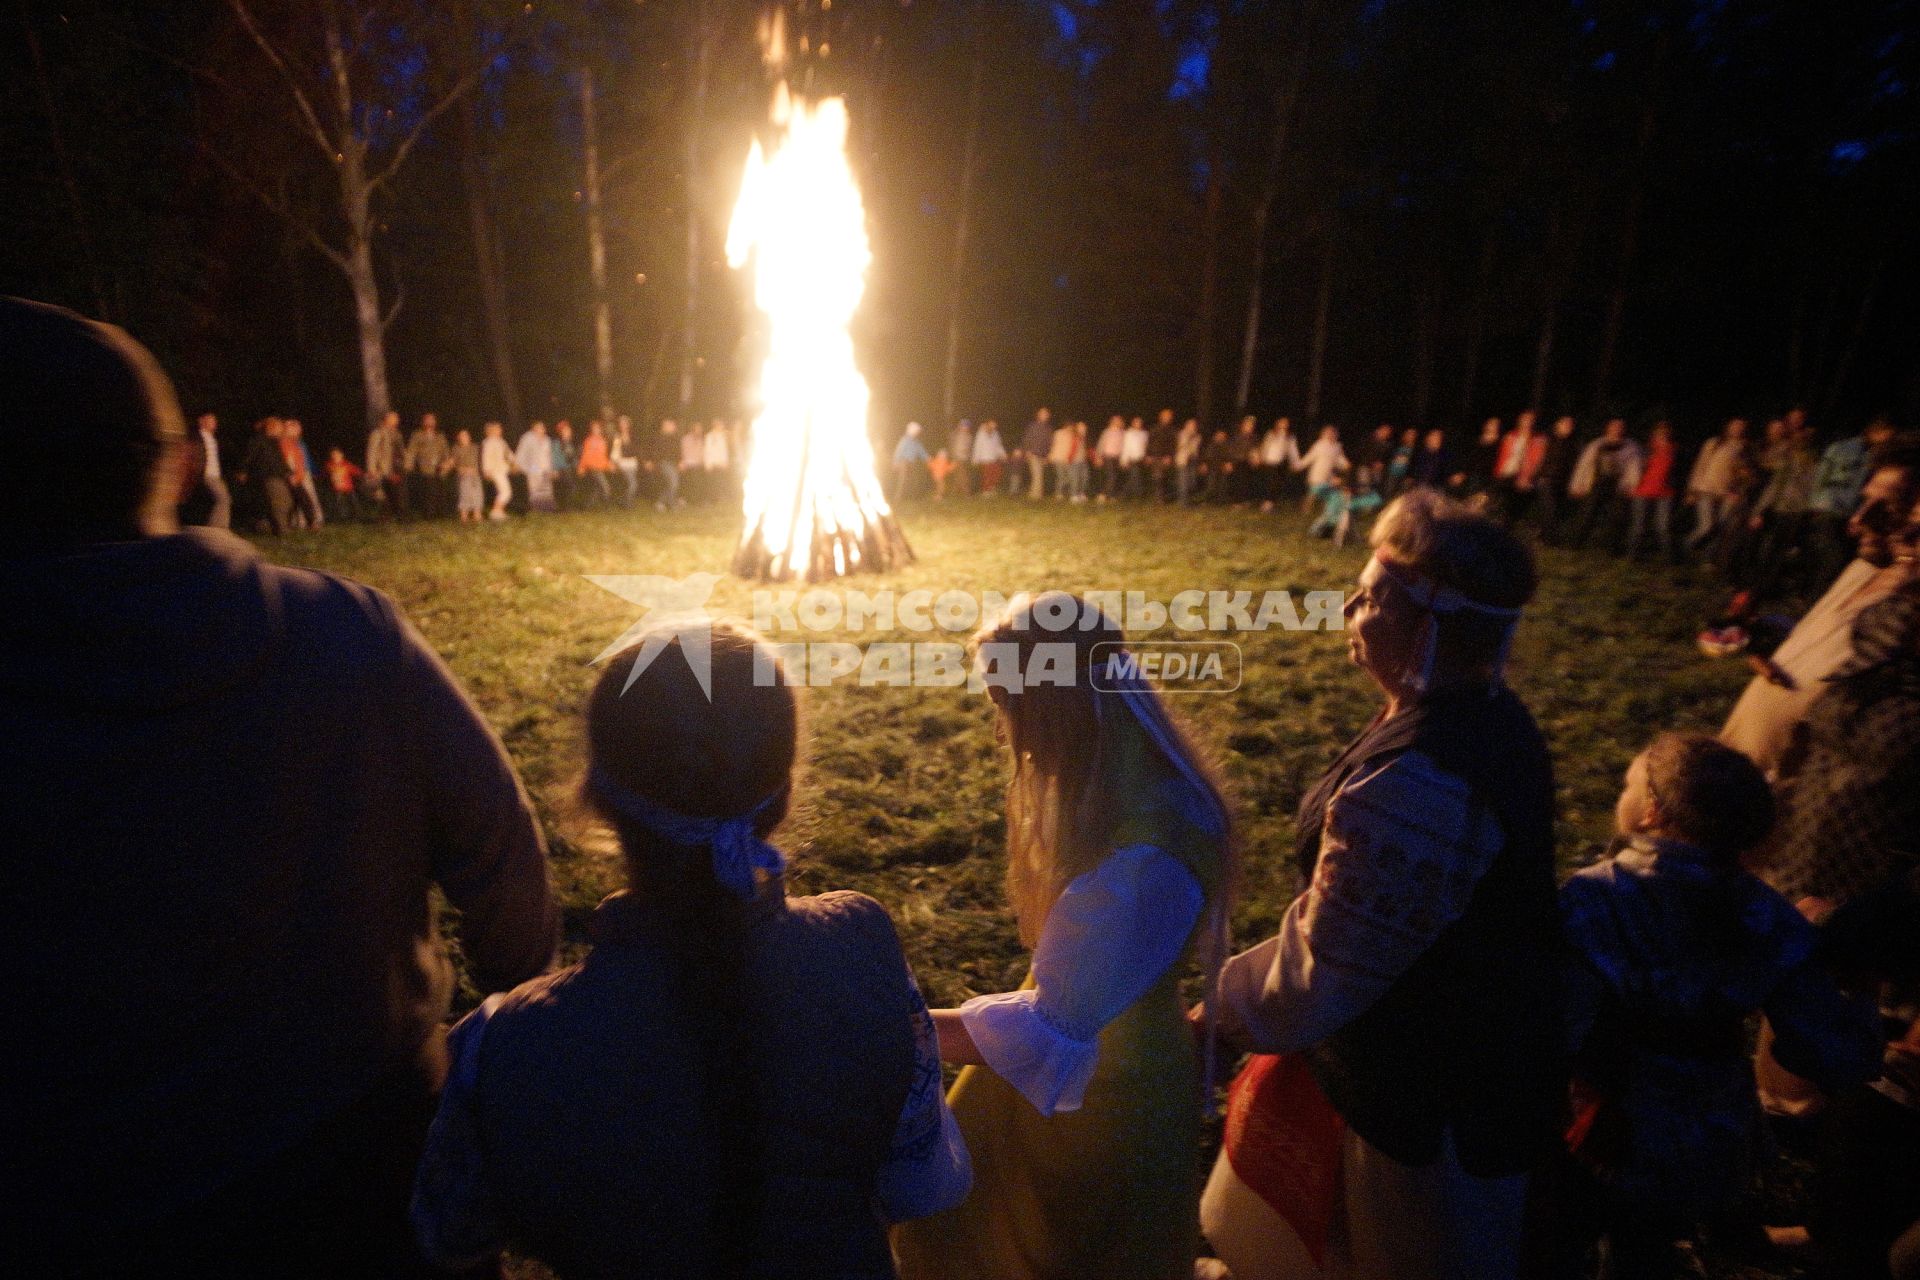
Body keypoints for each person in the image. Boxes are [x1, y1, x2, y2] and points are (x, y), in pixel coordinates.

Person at [0, 296, 557, 1275]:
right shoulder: (344, 634)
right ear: (179, 468)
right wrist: (515, 1037)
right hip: (381, 1177)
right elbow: (500, 850)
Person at [413, 623, 970, 1278]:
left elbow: (448, 1233)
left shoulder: (502, 1048)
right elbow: (924, 1184)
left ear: (595, 798)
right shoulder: (863, 948)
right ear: (785, 793)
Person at [1199, 490, 1561, 1280]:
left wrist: (1211, 1018)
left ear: (1430, 624)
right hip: (1410, 1062)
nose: (1350, 609)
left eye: (1372, 598)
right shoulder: (1483, 717)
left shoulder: (1424, 781)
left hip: (1432, 1096)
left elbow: (1329, 963)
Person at [893, 592, 1233, 1280]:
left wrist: (899, 1030)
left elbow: (1053, 1028)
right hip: (1099, 1077)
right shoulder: (1135, 790)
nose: (1006, 734)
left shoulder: (1149, 860)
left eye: (1008, 708)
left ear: (1054, 707)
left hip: (1102, 1107)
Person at [1539, 734, 1881, 1278]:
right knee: (1654, 1249)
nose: (1621, 795)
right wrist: (1853, 982)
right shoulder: (1765, 913)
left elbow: (1552, 1023)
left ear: (1652, 811)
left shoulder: (1596, 896)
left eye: (1629, 784)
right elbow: (1834, 1053)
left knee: (1583, 1248)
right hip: (1714, 1137)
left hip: (1605, 1131)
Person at [1720, 435, 1920, 777]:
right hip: (1741, 758)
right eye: (1864, 501)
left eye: (1886, 507)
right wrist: (1772, 637)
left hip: (1796, 791)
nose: (1857, 521)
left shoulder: (1909, 609)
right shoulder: (1864, 570)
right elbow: (1822, 641)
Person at [1807, 417, 1896, 588]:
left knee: (1836, 560)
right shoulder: (1841, 448)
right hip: (1829, 508)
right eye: (1886, 435)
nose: (1888, 440)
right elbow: (1821, 476)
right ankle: (1814, 595)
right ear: (1874, 431)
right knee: (1831, 558)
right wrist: (1815, 504)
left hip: (1849, 514)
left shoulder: (1875, 455)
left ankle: (1815, 593)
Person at [1568, 418, 1643, 551]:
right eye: (1614, 427)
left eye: (1620, 427)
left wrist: (1632, 485)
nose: (1617, 430)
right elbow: (1584, 465)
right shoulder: (1597, 444)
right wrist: (1576, 484)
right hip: (1597, 483)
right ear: (1608, 428)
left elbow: (1634, 469)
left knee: (1616, 517)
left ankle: (1611, 547)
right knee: (1588, 514)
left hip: (1618, 486)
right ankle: (1575, 543)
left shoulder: (1630, 447)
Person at [1685, 418, 1750, 554]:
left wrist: (1737, 491)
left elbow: (1742, 474)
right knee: (1707, 526)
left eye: (1741, 426)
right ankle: (1685, 546)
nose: (1737, 429)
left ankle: (1707, 556)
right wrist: (1692, 490)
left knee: (1720, 527)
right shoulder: (1713, 443)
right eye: (1735, 425)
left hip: (1726, 492)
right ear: (1728, 426)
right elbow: (1700, 465)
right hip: (1706, 489)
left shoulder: (1743, 447)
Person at [1624, 421, 1677, 560]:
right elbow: (1633, 468)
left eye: (1665, 432)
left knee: (1663, 527)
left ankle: (1668, 558)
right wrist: (1630, 485)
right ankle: (1632, 556)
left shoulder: (1674, 449)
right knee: (1639, 526)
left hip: (1665, 493)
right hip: (1642, 491)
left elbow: (1676, 472)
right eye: (1660, 432)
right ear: (1654, 433)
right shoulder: (1645, 448)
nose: (1662, 434)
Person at [238, 415, 295, 535]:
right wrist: (243, 470)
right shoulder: (258, 440)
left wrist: (288, 472)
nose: (281, 430)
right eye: (279, 427)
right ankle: (281, 529)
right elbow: (249, 455)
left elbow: (280, 460)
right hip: (267, 475)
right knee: (279, 502)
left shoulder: (274, 442)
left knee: (287, 501)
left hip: (278, 475)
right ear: (271, 427)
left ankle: (264, 526)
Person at [1534, 416, 1580, 541]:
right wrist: (1538, 474)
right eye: (1565, 424)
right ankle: (1550, 538)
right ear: (1557, 425)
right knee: (1549, 508)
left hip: (1561, 482)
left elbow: (1573, 465)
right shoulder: (1547, 439)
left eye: (1570, 425)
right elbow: (1538, 458)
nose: (1568, 427)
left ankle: (1543, 533)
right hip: (1546, 478)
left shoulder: (1572, 445)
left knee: (1553, 509)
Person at [405, 412, 451, 520]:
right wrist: (409, 464)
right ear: (423, 422)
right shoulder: (417, 435)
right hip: (426, 466)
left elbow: (446, 451)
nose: (430, 422)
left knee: (441, 490)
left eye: (432, 420)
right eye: (428, 420)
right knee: (429, 490)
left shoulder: (440, 436)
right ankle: (429, 514)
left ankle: (441, 513)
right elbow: (412, 450)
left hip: (440, 466)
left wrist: (447, 463)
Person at [1295, 425, 1350, 512]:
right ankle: (1305, 508)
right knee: (1313, 492)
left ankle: (1326, 509)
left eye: (1333, 433)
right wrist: (1300, 465)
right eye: (1328, 433)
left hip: (1329, 473)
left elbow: (1339, 458)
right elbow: (1310, 456)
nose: (1331, 435)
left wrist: (1345, 464)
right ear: (1323, 434)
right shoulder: (1319, 445)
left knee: (1328, 492)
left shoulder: (1337, 446)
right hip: (1317, 472)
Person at [190, 411, 231, 529]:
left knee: (224, 499)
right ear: (202, 421)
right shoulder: (197, 437)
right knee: (223, 498)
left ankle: (220, 527)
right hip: (206, 474)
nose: (214, 423)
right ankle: (216, 528)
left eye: (214, 421)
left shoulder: (212, 438)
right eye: (211, 421)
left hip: (215, 474)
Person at [283, 419, 324, 529]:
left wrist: (314, 470)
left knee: (309, 496)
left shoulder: (300, 443)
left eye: (298, 429)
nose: (298, 431)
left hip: (304, 472)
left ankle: (315, 518)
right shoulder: (285, 444)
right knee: (298, 498)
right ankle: (299, 521)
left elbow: (307, 459)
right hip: (295, 473)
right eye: (294, 429)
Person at [366, 409, 407, 518]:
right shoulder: (378, 433)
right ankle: (385, 515)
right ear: (386, 420)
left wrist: (405, 463)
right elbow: (372, 451)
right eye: (394, 418)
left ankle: (399, 514)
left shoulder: (397, 434)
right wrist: (372, 468)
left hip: (396, 467)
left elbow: (401, 451)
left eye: (396, 418)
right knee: (385, 493)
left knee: (397, 492)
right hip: (383, 468)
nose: (396, 420)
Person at [1260, 418, 1303, 511]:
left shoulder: (1290, 436)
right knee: (1271, 483)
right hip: (1269, 461)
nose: (1283, 425)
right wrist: (1261, 456)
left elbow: (1293, 450)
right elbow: (1265, 445)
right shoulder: (1271, 433)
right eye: (1282, 423)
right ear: (1277, 424)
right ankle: (1267, 503)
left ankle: (1271, 503)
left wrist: (1296, 462)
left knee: (1278, 483)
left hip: (1280, 463)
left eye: (1286, 423)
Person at [515, 420, 555, 512]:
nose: (540, 429)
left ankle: (547, 508)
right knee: (535, 486)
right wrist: (517, 464)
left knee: (546, 487)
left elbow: (549, 455)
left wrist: (552, 469)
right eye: (538, 427)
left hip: (546, 466)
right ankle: (536, 508)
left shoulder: (547, 439)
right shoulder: (527, 438)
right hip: (533, 465)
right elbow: (521, 451)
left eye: (542, 427)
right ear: (533, 428)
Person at [480, 421, 514, 521]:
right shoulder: (488, 442)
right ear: (491, 430)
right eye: (498, 428)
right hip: (495, 470)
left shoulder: (501, 441)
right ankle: (495, 512)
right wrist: (486, 470)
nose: (500, 430)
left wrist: (514, 463)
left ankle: (499, 512)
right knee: (505, 492)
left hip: (503, 469)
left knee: (504, 491)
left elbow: (508, 453)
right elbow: (486, 457)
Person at [577, 420, 614, 508]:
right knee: (606, 487)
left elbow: (604, 456)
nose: (596, 430)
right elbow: (585, 455)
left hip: (600, 467)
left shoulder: (603, 441)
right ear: (592, 429)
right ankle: (607, 507)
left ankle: (587, 505)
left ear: (600, 429)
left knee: (597, 488)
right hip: (593, 467)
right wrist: (581, 467)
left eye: (598, 428)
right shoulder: (588, 440)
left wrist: (609, 465)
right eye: (594, 428)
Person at [450, 428, 484, 523]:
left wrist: (478, 470)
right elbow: (453, 461)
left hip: (475, 474)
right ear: (458, 438)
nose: (464, 437)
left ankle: (477, 514)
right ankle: (464, 516)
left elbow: (481, 460)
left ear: (469, 437)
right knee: (465, 494)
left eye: (466, 435)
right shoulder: (456, 448)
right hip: (463, 475)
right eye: (462, 436)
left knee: (477, 493)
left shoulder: (475, 447)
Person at [1020, 408, 1054, 499]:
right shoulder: (1033, 426)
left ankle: (1034, 492)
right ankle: (1036, 495)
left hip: (1042, 455)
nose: (1044, 415)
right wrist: (1027, 451)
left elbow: (1049, 443)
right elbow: (1026, 439)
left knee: (1040, 474)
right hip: (1033, 454)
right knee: (1037, 474)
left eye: (1046, 414)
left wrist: (1047, 456)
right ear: (1038, 415)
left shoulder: (1048, 428)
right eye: (1042, 414)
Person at [324, 446, 364, 522]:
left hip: (349, 488)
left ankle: (357, 516)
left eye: (337, 455)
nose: (335, 457)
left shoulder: (346, 464)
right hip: (337, 489)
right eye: (333, 455)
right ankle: (342, 517)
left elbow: (356, 470)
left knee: (353, 502)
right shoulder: (329, 465)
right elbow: (326, 474)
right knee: (340, 503)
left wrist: (362, 473)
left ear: (342, 455)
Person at [650, 418, 684, 509]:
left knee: (672, 483)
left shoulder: (675, 438)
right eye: (669, 425)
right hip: (664, 463)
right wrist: (655, 462)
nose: (672, 427)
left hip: (673, 463)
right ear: (664, 427)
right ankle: (671, 503)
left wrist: (680, 461)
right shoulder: (658, 438)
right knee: (674, 483)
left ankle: (661, 502)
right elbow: (655, 452)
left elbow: (678, 452)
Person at [893, 422, 930, 501]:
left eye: (917, 431)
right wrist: (895, 462)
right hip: (904, 462)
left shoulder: (916, 442)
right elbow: (899, 451)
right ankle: (898, 497)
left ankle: (911, 496)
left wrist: (927, 458)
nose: (917, 433)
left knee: (912, 479)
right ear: (911, 431)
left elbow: (921, 451)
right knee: (903, 479)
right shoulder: (904, 440)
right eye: (916, 431)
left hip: (912, 462)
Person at [611, 416, 640, 506]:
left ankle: (626, 501)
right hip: (623, 462)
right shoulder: (617, 436)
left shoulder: (633, 435)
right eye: (621, 423)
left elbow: (637, 449)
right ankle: (626, 502)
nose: (623, 425)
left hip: (632, 462)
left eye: (625, 423)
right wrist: (614, 462)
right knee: (633, 484)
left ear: (628, 424)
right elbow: (615, 450)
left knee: (631, 483)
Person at [550, 420, 580, 511]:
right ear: (561, 432)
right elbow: (555, 457)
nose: (568, 432)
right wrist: (555, 470)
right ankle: (564, 507)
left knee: (570, 488)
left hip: (571, 469)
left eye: (569, 431)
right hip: (561, 469)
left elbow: (573, 457)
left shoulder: (571, 443)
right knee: (570, 487)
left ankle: (567, 507)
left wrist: (577, 465)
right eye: (566, 431)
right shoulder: (557, 443)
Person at [972, 419, 1007, 495]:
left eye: (995, 425)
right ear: (988, 424)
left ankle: (991, 488)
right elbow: (977, 446)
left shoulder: (996, 434)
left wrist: (1003, 454)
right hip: (985, 457)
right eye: (992, 424)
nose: (993, 426)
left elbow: (999, 445)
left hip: (994, 457)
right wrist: (975, 458)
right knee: (987, 475)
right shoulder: (981, 433)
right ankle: (985, 491)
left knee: (997, 473)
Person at [1175, 417, 1204, 505]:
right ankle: (1183, 501)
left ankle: (1189, 498)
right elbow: (1180, 446)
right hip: (1183, 460)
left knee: (1192, 481)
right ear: (1186, 425)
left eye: (1194, 425)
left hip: (1193, 460)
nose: (1192, 427)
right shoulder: (1181, 434)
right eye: (1190, 425)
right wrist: (1188, 437)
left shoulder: (1198, 436)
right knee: (1183, 481)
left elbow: (1197, 449)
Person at [950, 418, 975, 497]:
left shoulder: (969, 436)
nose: (966, 427)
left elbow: (970, 447)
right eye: (964, 425)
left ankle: (954, 491)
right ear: (960, 426)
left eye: (967, 426)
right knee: (963, 475)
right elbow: (952, 446)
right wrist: (953, 456)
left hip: (965, 458)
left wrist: (969, 454)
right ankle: (967, 493)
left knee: (959, 475)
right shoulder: (955, 435)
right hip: (957, 457)